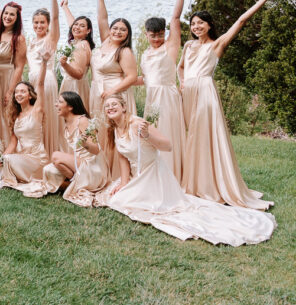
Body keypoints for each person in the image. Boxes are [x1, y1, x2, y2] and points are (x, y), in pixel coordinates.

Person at [94, 94, 276, 246]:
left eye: (114, 104)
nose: (110, 107)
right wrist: (124, 182)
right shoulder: (115, 128)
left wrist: (147, 135)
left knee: (123, 203)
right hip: (138, 176)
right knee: (116, 198)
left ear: (124, 107)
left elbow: (167, 146)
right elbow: (123, 157)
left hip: (154, 174)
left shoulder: (137, 123)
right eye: (107, 106)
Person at [178, 0, 281, 210]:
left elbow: (241, 21)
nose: (196, 27)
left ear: (209, 25)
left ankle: (212, 184)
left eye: (201, 23)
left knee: (205, 136)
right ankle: (195, 182)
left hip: (205, 93)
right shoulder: (188, 45)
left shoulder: (218, 44)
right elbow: (182, 67)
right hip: (188, 94)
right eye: (193, 23)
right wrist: (182, 82)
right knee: (192, 136)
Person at [135, 0, 188, 180]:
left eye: (160, 34)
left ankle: (172, 175)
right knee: (152, 133)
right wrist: (120, 83)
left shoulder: (170, 47)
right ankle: (154, 173)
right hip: (152, 98)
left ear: (164, 33)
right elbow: (145, 79)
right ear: (146, 34)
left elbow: (175, 18)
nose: (157, 38)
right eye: (153, 35)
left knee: (167, 131)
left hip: (167, 95)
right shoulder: (145, 54)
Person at [0, 50, 57, 198]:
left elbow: (40, 84)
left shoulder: (37, 110)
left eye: (23, 92)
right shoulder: (15, 116)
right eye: (16, 92)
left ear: (30, 95)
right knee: (3, 160)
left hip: (37, 158)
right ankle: (16, 173)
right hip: (22, 156)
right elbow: (13, 143)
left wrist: (44, 62)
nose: (19, 94)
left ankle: (31, 176)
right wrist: (2, 157)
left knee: (8, 160)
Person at [42, 91, 109, 206]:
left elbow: (96, 150)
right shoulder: (66, 123)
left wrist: (84, 143)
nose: (56, 104)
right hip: (79, 163)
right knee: (48, 169)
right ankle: (75, 182)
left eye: (60, 102)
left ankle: (75, 183)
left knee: (55, 156)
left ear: (70, 107)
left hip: (92, 166)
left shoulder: (82, 121)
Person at [27, 0, 66, 156]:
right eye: (36, 22)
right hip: (32, 82)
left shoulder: (51, 39)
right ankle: (37, 154)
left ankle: (50, 153)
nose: (39, 26)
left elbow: (56, 18)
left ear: (48, 23)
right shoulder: (31, 41)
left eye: (42, 22)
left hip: (47, 81)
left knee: (46, 117)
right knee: (35, 119)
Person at [0, 1, 27, 146]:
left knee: (7, 112)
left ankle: (9, 145)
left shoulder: (19, 38)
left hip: (8, 77)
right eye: (5, 13)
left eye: (12, 14)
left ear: (17, 18)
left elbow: (19, 66)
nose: (7, 17)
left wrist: (10, 91)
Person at [59, 1, 94, 110]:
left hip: (74, 87)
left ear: (88, 31)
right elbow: (72, 25)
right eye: (76, 24)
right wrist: (65, 7)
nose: (77, 27)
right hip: (78, 85)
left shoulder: (80, 46)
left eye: (82, 26)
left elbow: (78, 74)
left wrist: (64, 65)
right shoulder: (81, 42)